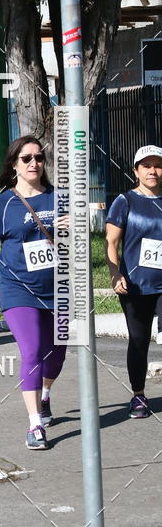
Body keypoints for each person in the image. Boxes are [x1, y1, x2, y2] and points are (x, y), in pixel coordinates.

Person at [0, 136, 67, 451]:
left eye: (38, 157)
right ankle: (35, 425)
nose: (34, 163)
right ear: (13, 164)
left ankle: (45, 395)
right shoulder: (3, 203)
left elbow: (76, 249)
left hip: (56, 288)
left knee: (56, 356)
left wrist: (72, 231)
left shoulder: (59, 199)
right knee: (33, 352)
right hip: (18, 289)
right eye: (26, 158)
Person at [106, 144, 162, 418]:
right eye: (147, 165)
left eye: (158, 165)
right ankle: (138, 395)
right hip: (136, 285)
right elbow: (111, 242)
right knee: (139, 341)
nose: (153, 171)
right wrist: (115, 273)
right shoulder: (125, 201)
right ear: (136, 171)